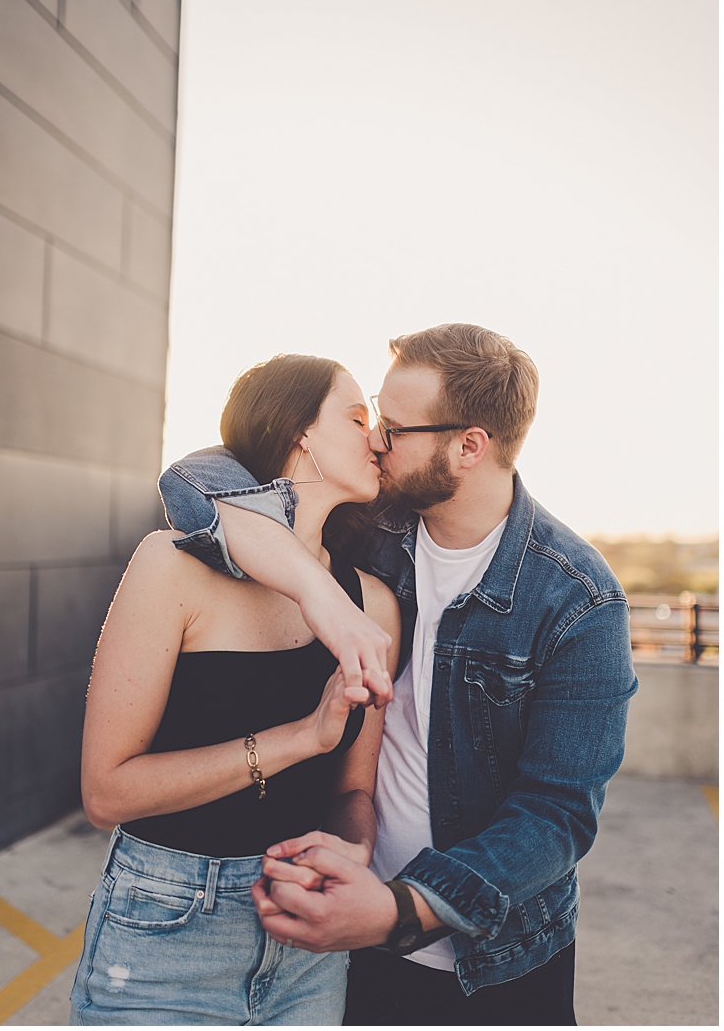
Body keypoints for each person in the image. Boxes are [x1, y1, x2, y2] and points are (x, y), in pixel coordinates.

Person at [159, 323, 636, 1025]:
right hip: (341, 937)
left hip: (499, 963)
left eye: (397, 426)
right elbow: (194, 479)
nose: (376, 438)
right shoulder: (369, 526)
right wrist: (321, 595)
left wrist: (396, 908)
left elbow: (556, 815)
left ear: (469, 445)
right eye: (374, 415)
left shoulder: (579, 600)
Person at [70, 355, 403, 1025]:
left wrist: (353, 850)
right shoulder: (170, 564)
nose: (376, 439)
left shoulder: (375, 603)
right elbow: (107, 793)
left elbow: (353, 791)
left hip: (307, 934)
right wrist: (301, 737)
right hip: (165, 928)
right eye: (358, 417)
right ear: (299, 432)